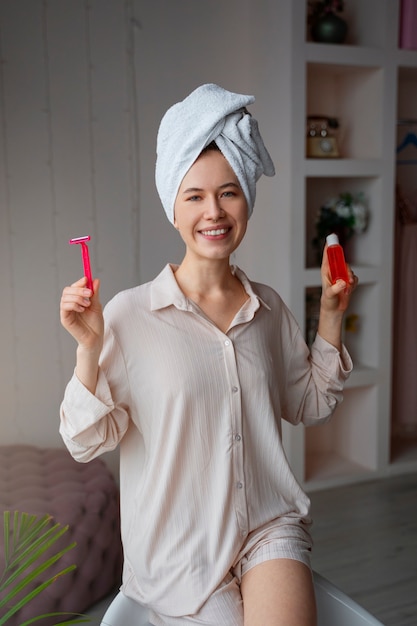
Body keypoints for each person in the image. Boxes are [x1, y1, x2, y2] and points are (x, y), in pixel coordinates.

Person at [60, 84, 357, 626]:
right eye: (194, 195)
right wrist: (89, 349)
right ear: (172, 206)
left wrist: (332, 313)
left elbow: (309, 403)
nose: (213, 212)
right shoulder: (129, 315)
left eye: (229, 192)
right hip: (179, 552)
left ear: (247, 199)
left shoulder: (268, 308)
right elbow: (84, 442)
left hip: (268, 525)